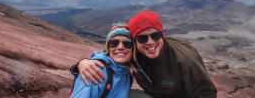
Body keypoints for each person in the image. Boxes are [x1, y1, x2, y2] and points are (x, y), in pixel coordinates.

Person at [72, 11, 217, 98]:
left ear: (162, 35)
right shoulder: (132, 54)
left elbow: (207, 93)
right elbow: (108, 57)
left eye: (155, 35)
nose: (150, 42)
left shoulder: (185, 59)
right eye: (142, 38)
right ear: (135, 42)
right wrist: (82, 63)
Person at [69, 23, 133, 98]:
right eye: (114, 43)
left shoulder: (127, 73)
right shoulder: (95, 70)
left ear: (133, 49)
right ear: (108, 48)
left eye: (127, 43)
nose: (120, 47)